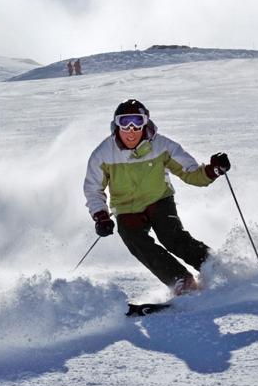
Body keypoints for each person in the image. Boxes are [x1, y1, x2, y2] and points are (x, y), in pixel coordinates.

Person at [83, 99, 230, 294]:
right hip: (127, 208)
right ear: (116, 124)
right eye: (125, 122)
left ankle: (215, 268)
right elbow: (93, 189)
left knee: (171, 236)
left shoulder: (162, 145)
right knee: (134, 240)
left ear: (145, 122)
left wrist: (213, 170)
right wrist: (100, 215)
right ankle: (180, 280)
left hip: (159, 201)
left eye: (137, 121)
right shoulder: (103, 154)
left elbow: (192, 174)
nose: (131, 128)